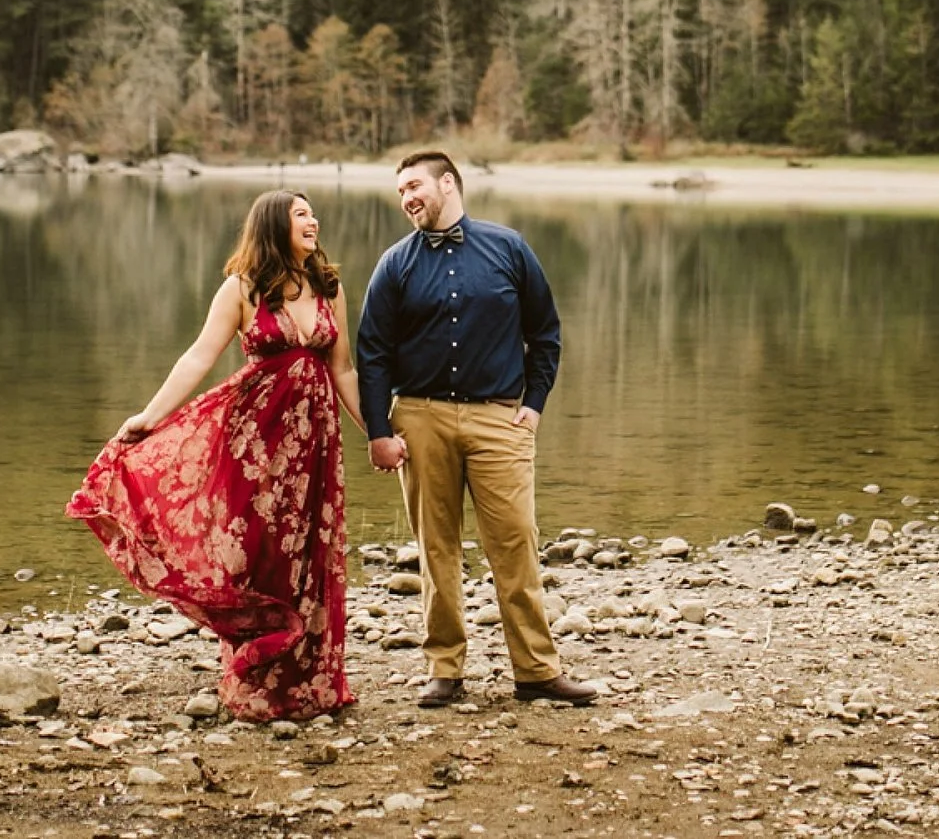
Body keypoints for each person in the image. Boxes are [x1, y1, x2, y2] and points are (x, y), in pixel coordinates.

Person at [68, 189, 359, 721]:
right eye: (300, 215)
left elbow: (343, 370)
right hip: (252, 444)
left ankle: (312, 684)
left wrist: (380, 431)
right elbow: (199, 356)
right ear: (274, 225)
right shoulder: (242, 288)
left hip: (315, 446)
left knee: (311, 557)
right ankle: (256, 681)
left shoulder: (329, 287)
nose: (313, 221)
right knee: (258, 555)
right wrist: (150, 417)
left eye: (312, 213)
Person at [356, 150, 597, 707]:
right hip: (419, 419)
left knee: (516, 543)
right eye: (400, 192)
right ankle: (445, 670)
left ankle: (536, 671)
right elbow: (372, 353)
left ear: (448, 183)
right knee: (435, 548)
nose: (407, 198)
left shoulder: (509, 248)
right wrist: (377, 431)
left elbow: (546, 333)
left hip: (500, 418)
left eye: (414, 186)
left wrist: (533, 404)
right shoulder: (395, 263)